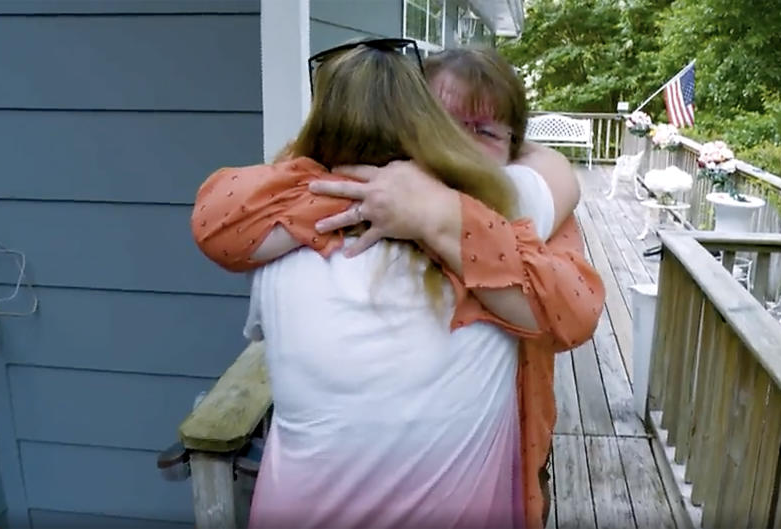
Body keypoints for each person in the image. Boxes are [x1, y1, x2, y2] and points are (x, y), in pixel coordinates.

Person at [191, 42, 604, 529]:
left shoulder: (508, 210)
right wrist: (389, 201)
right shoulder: (507, 216)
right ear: (413, 124)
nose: (461, 144)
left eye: (484, 131)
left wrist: (433, 210)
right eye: (443, 123)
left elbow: (218, 217)